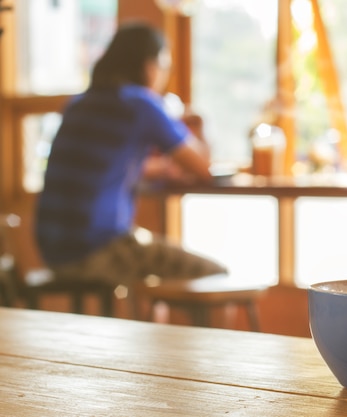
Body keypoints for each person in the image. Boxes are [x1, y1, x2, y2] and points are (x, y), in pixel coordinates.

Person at [35, 21, 227, 288]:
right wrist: (200, 120)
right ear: (150, 66)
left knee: (150, 262)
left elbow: (101, 165)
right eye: (165, 66)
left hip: (53, 254)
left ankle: (159, 325)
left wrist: (155, 168)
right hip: (97, 251)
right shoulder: (140, 103)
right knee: (217, 276)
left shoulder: (79, 103)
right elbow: (203, 167)